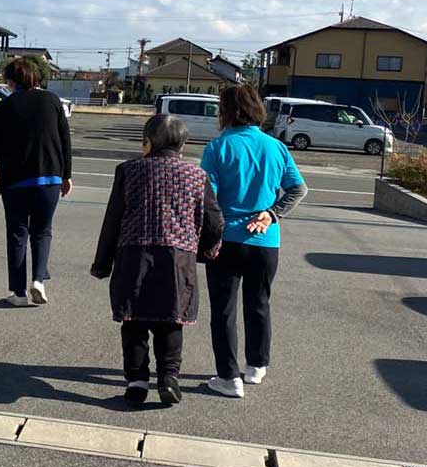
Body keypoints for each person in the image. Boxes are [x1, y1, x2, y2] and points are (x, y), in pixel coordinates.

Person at [91, 115, 223, 406]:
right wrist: (206, 251)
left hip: (133, 256)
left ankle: (137, 381)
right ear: (183, 145)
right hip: (178, 259)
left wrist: (102, 264)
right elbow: (214, 222)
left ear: (147, 143)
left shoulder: (128, 170)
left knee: (133, 321)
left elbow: (112, 219)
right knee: (171, 321)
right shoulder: (198, 177)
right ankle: (168, 378)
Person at [202, 84, 308, 398]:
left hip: (227, 239)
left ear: (226, 111)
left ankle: (228, 377)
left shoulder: (218, 147)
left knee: (224, 310)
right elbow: (298, 189)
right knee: (259, 304)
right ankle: (257, 367)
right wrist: (272, 214)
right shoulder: (275, 147)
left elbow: (208, 199)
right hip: (266, 241)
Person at [0, 57, 73, 307]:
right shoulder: (52, 101)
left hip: (15, 180)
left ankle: (18, 292)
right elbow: (65, 140)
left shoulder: (5, 106)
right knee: (42, 231)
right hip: (50, 177)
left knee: (17, 233)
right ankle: (38, 280)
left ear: (12, 81)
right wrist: (67, 174)